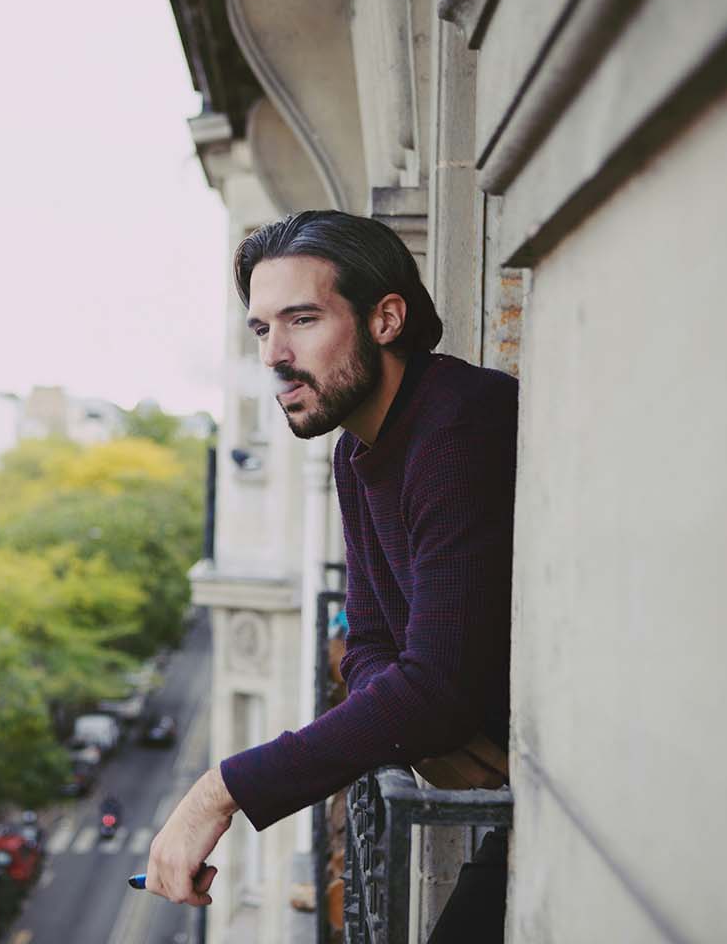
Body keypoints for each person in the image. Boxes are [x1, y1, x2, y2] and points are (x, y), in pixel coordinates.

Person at [142, 210, 517, 942]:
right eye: (260, 331)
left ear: (385, 318)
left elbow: (434, 686)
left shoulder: (456, 428)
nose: (276, 356)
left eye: (303, 320)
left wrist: (219, 792)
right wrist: (414, 726)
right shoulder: (358, 450)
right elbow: (372, 639)